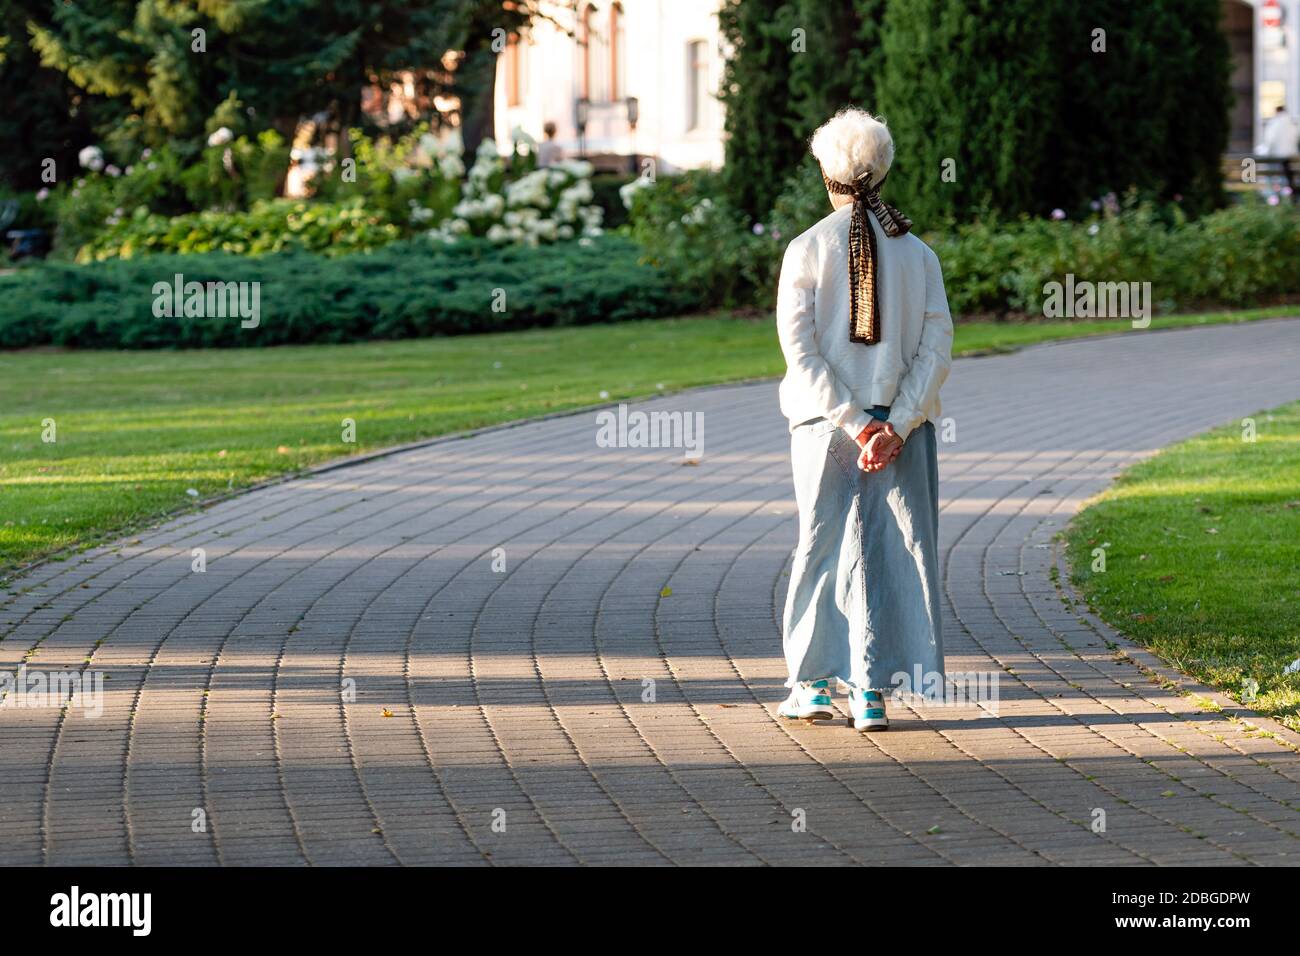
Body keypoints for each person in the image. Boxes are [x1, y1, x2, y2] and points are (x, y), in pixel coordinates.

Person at [774, 108, 953, 732]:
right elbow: (937, 347)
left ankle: (814, 685)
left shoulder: (805, 250)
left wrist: (853, 422)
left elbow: (801, 353)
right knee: (894, 552)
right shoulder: (919, 254)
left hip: (825, 428)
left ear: (828, 173)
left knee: (821, 548)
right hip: (903, 430)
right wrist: (895, 424)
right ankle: (874, 689)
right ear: (883, 171)